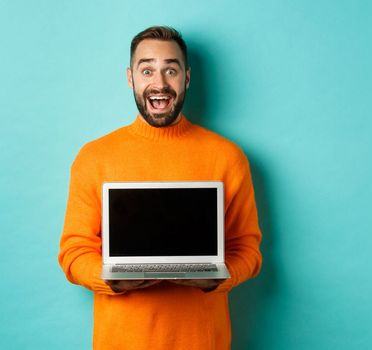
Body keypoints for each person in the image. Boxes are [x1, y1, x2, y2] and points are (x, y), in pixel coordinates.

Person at [58, 26, 262, 349]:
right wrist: (111, 279)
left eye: (171, 69)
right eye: (147, 70)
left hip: (202, 342)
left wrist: (220, 279)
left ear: (187, 78)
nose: (160, 83)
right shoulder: (94, 158)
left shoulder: (228, 157)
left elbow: (248, 250)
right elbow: (73, 252)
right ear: (130, 78)